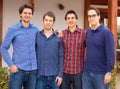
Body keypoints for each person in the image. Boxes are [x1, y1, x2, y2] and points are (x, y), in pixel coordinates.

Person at [1, 4, 39, 89]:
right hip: (18, 70)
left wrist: (55, 34)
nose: (27, 15)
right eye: (25, 13)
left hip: (33, 71)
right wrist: (11, 64)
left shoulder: (35, 29)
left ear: (32, 15)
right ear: (20, 14)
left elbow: (43, 40)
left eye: (29, 13)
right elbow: (3, 48)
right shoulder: (13, 29)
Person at [82, 7, 115, 89]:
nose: (91, 18)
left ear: (99, 16)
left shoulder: (106, 32)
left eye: (93, 15)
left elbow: (110, 53)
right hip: (87, 72)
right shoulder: (88, 31)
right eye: (89, 16)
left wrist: (108, 72)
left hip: (101, 73)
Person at [35, 11, 64, 89]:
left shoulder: (58, 37)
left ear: (53, 22)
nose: (48, 22)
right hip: (40, 76)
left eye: (50, 20)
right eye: (46, 20)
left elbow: (61, 57)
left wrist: (60, 75)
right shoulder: (37, 36)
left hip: (54, 77)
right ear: (43, 21)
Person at [60, 10, 86, 89]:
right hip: (65, 72)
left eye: (72, 18)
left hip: (78, 72)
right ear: (66, 20)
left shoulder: (83, 33)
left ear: (76, 20)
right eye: (68, 18)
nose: (70, 20)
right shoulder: (62, 34)